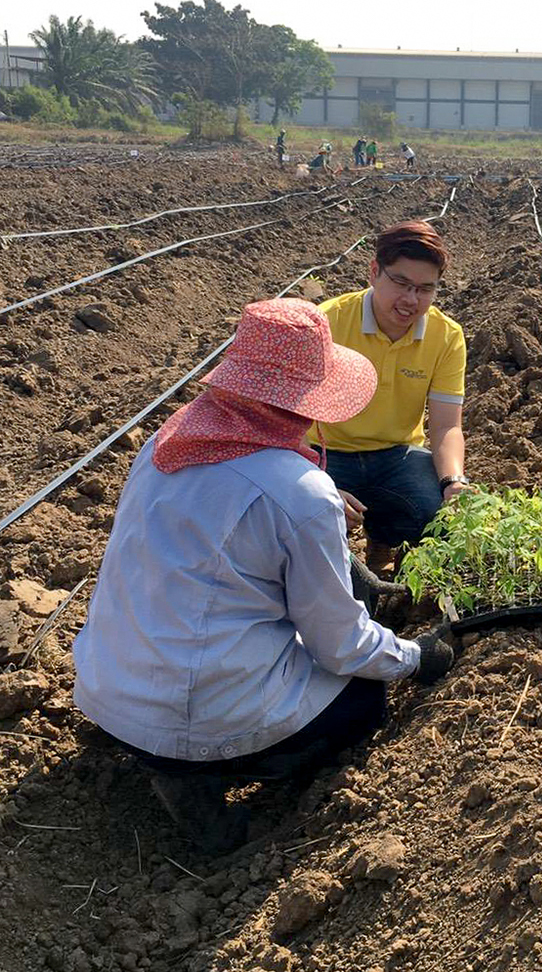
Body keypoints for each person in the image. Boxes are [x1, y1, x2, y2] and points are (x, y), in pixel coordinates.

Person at [72, 299, 455, 853]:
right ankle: (203, 778)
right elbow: (339, 647)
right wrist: (417, 658)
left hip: (110, 694)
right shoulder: (298, 492)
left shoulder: (168, 444)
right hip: (198, 718)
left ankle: (168, 753)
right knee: (364, 700)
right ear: (306, 400)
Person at [316, 221, 468, 573]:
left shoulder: (446, 336)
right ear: (374, 272)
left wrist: (453, 482)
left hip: (397, 455)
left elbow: (446, 426)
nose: (411, 300)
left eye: (425, 289)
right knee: (301, 517)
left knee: (437, 518)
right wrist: (313, 486)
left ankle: (386, 544)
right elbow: (284, 419)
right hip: (325, 452)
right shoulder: (328, 322)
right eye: (400, 283)